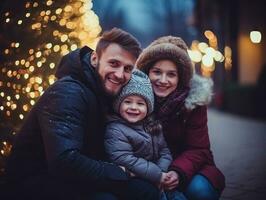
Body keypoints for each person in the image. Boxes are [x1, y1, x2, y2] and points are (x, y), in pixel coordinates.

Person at [5, 28, 159, 200]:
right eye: (114, 63)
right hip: (34, 185)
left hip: (70, 178)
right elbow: (64, 161)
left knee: (146, 190)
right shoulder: (69, 92)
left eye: (128, 68)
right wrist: (119, 172)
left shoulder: (104, 93)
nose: (120, 74)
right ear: (95, 58)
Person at [136, 36, 225, 200]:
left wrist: (177, 172)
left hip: (190, 167)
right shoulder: (134, 101)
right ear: (147, 71)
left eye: (171, 74)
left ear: (181, 78)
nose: (163, 80)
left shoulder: (194, 103)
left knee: (200, 191)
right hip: (149, 171)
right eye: (157, 72)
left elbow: (199, 149)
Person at [104, 69, 187, 200]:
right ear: (117, 104)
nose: (134, 107)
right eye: (127, 101)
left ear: (148, 107)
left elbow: (164, 150)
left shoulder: (153, 125)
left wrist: (162, 172)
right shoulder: (116, 129)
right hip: (134, 179)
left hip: (156, 177)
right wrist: (157, 175)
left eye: (140, 103)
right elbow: (124, 158)